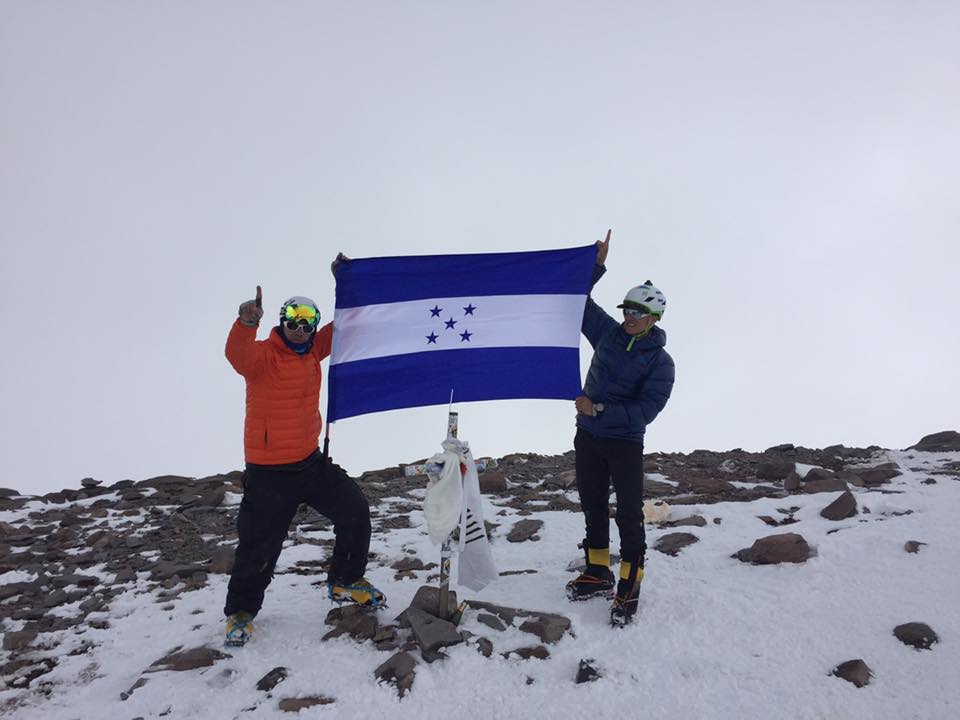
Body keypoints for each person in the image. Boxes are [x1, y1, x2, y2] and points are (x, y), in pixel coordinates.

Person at [223, 281, 384, 646]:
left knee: (355, 510)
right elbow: (238, 355)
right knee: (259, 547)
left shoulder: (312, 351)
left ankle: (345, 578)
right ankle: (242, 612)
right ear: (282, 321)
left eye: (308, 320)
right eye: (293, 319)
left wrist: (347, 281)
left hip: (310, 464)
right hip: (268, 474)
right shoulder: (262, 356)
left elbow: (342, 326)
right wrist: (246, 323)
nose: (300, 326)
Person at [565, 231, 675, 627]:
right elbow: (577, 305)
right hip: (588, 435)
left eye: (638, 313)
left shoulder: (661, 363)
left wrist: (598, 407)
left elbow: (644, 411)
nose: (630, 318)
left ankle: (630, 583)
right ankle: (598, 572)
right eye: (627, 310)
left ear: (654, 320)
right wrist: (595, 267)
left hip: (624, 442)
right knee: (592, 502)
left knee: (629, 513)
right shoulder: (609, 334)